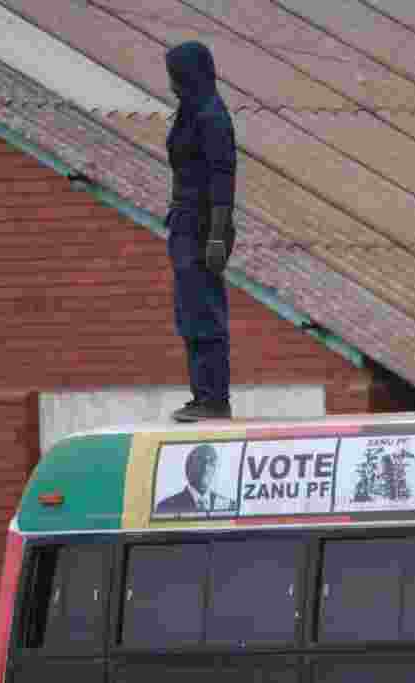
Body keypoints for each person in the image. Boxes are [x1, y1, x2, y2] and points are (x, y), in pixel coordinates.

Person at [164, 41, 237, 422]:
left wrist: (217, 235)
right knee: (188, 311)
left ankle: (214, 397)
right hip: (184, 222)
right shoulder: (190, 112)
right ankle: (200, 394)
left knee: (205, 311)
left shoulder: (212, 116)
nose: (171, 84)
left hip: (203, 226)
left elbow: (223, 179)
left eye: (175, 75)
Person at [156, 444, 237, 514]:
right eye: (200, 461)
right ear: (188, 466)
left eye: (211, 462)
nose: (206, 468)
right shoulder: (166, 506)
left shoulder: (229, 505)